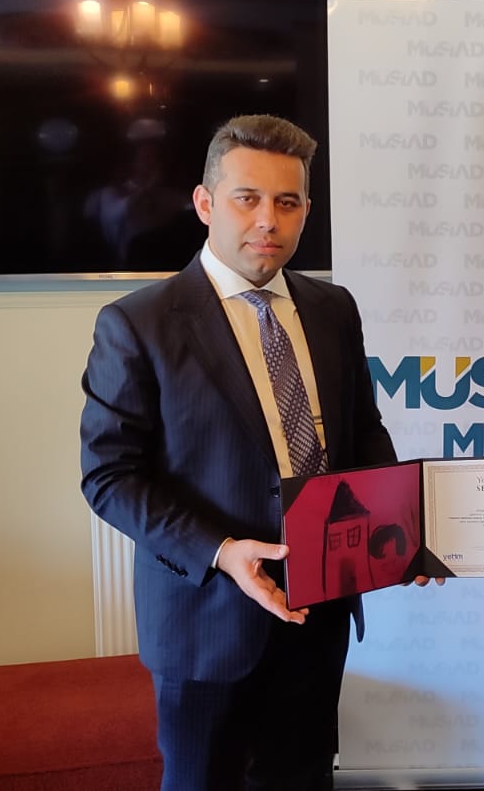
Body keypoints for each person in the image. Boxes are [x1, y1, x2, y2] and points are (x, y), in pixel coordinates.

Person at [79, 114, 396, 790]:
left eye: (288, 202)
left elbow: (362, 430)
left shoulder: (333, 308)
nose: (268, 221)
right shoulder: (137, 323)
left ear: (306, 209)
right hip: (206, 619)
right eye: (246, 198)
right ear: (205, 203)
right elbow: (109, 476)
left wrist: (399, 529)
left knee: (302, 780)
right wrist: (222, 551)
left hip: (319, 611)